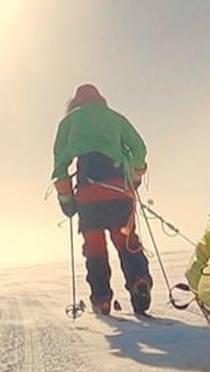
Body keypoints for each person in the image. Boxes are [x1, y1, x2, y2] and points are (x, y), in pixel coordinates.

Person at [51, 83, 153, 315]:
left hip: (89, 195)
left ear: (75, 103)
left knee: (95, 249)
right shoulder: (115, 118)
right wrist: (135, 174)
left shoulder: (69, 122)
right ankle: (139, 281)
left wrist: (66, 197)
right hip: (119, 192)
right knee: (127, 242)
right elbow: (139, 149)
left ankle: (101, 300)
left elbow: (60, 164)